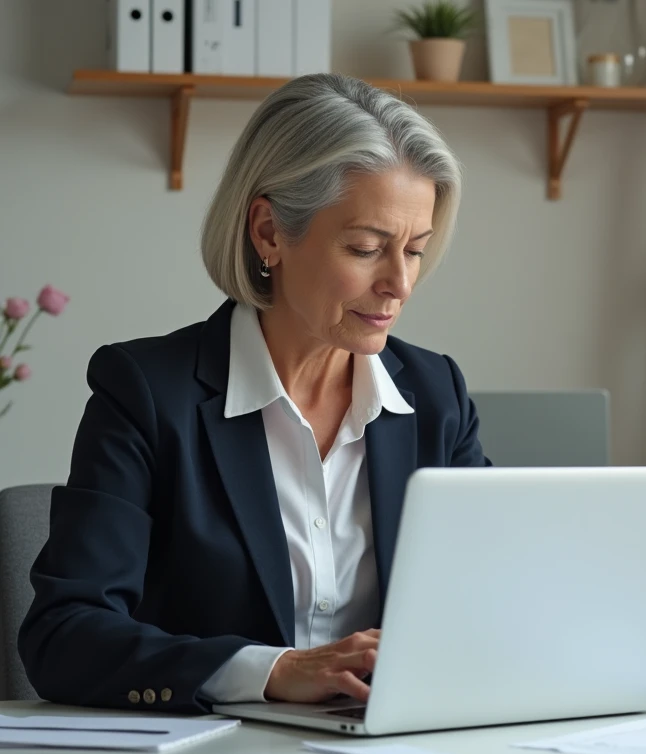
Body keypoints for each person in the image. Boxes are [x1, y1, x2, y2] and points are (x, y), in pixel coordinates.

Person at [18, 74, 489, 712]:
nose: (399, 284)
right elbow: (64, 637)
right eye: (366, 248)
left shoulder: (437, 396)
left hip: (391, 749)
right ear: (269, 232)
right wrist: (273, 671)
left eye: (414, 250)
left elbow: (495, 597)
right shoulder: (146, 394)